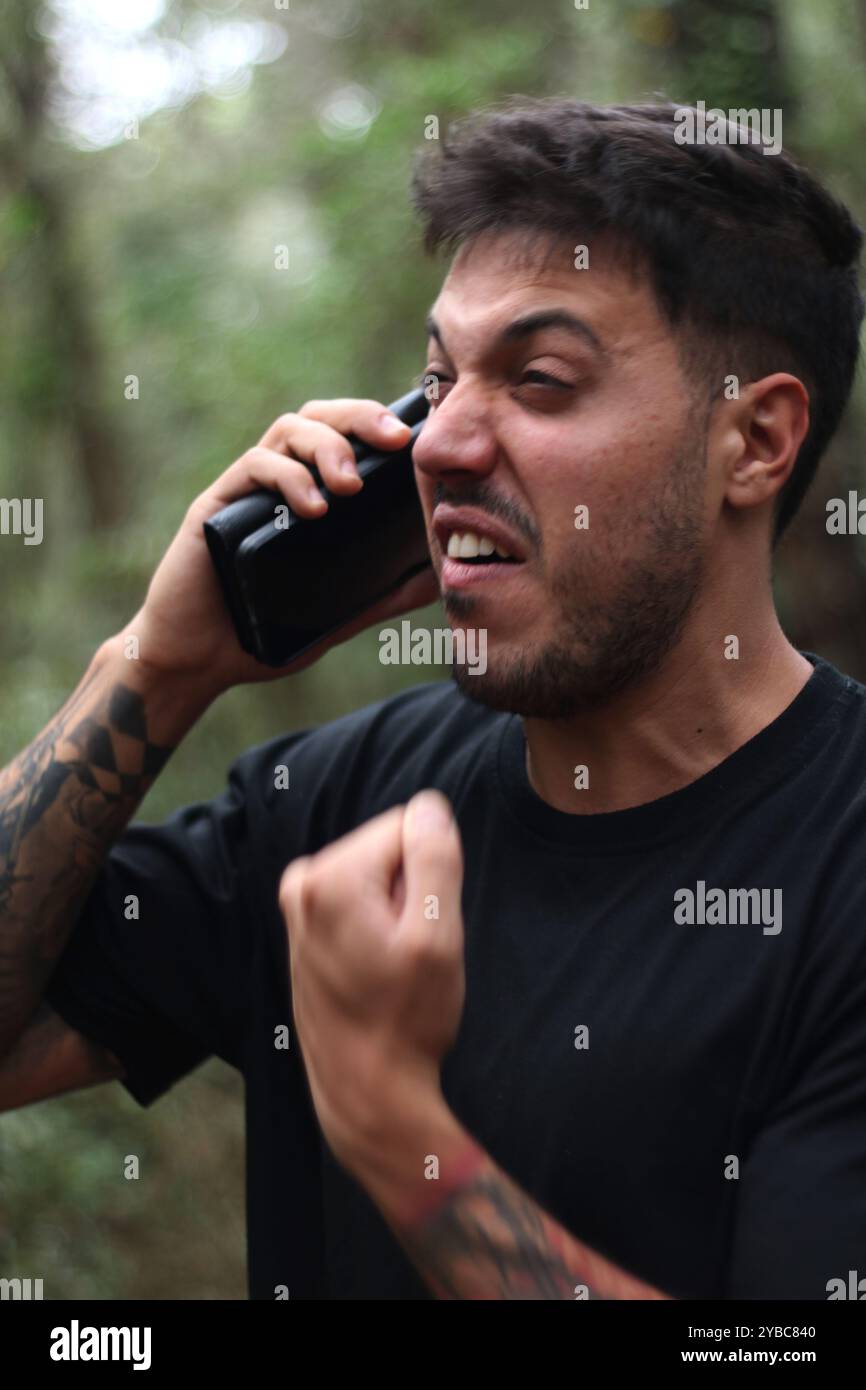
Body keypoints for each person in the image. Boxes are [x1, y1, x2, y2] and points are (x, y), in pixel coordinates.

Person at [1, 98, 865, 1301]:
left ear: (755, 441)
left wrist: (397, 1129)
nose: (440, 442)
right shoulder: (337, 805)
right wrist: (157, 662)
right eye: (435, 378)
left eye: (541, 379)